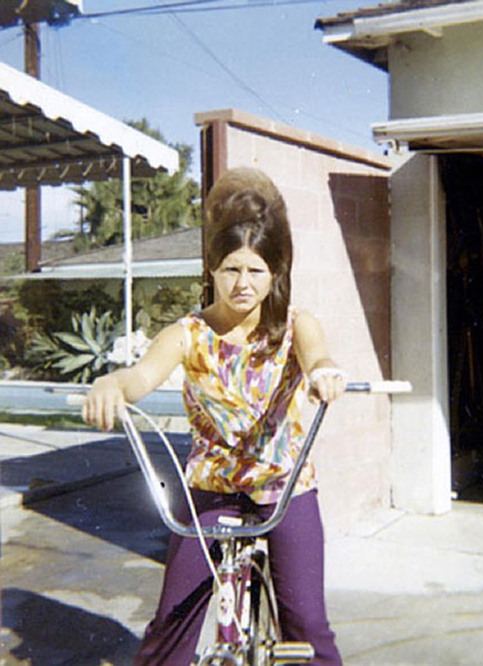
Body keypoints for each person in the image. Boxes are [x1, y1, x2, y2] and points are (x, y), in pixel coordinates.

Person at [82, 167, 346, 665]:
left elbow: (318, 359)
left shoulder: (296, 326)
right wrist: (110, 384)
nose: (242, 283)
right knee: (172, 620)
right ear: (212, 269)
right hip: (211, 488)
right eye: (231, 269)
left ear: (276, 272)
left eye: (256, 270)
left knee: (307, 625)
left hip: (283, 487)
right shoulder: (187, 334)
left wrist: (325, 373)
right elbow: (138, 378)